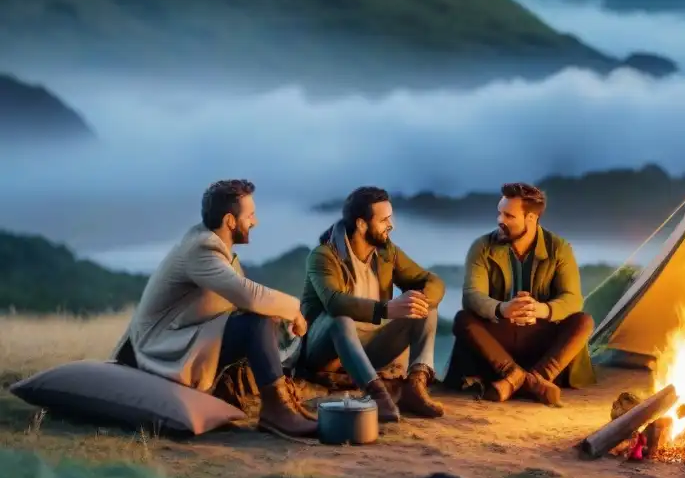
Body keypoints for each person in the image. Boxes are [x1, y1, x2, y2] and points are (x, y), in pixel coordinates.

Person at [110, 179, 318, 438]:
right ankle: (276, 412)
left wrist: (277, 315)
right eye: (250, 215)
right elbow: (248, 295)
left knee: (263, 320)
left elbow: (242, 300)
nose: (256, 222)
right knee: (256, 324)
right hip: (159, 346)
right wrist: (295, 310)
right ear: (230, 221)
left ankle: (281, 402)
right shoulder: (201, 249)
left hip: (186, 334)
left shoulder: (215, 247)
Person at [295, 186, 446, 423]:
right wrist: (386, 309)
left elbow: (431, 280)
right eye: (384, 219)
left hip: (370, 344)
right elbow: (334, 302)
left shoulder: (388, 253)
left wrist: (420, 299)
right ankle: (377, 395)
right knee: (341, 318)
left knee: (426, 306)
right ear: (362, 224)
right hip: (326, 348)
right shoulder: (324, 255)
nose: (391, 225)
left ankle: (415, 387)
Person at [446, 182, 596, 406]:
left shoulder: (559, 248)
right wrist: (502, 308)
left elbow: (572, 299)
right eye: (499, 213)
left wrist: (541, 309)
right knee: (463, 319)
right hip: (499, 338)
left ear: (531, 219)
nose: (500, 220)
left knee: (583, 321)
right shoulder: (482, 246)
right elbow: (472, 295)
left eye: (509, 216)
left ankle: (524, 380)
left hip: (541, 336)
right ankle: (529, 381)